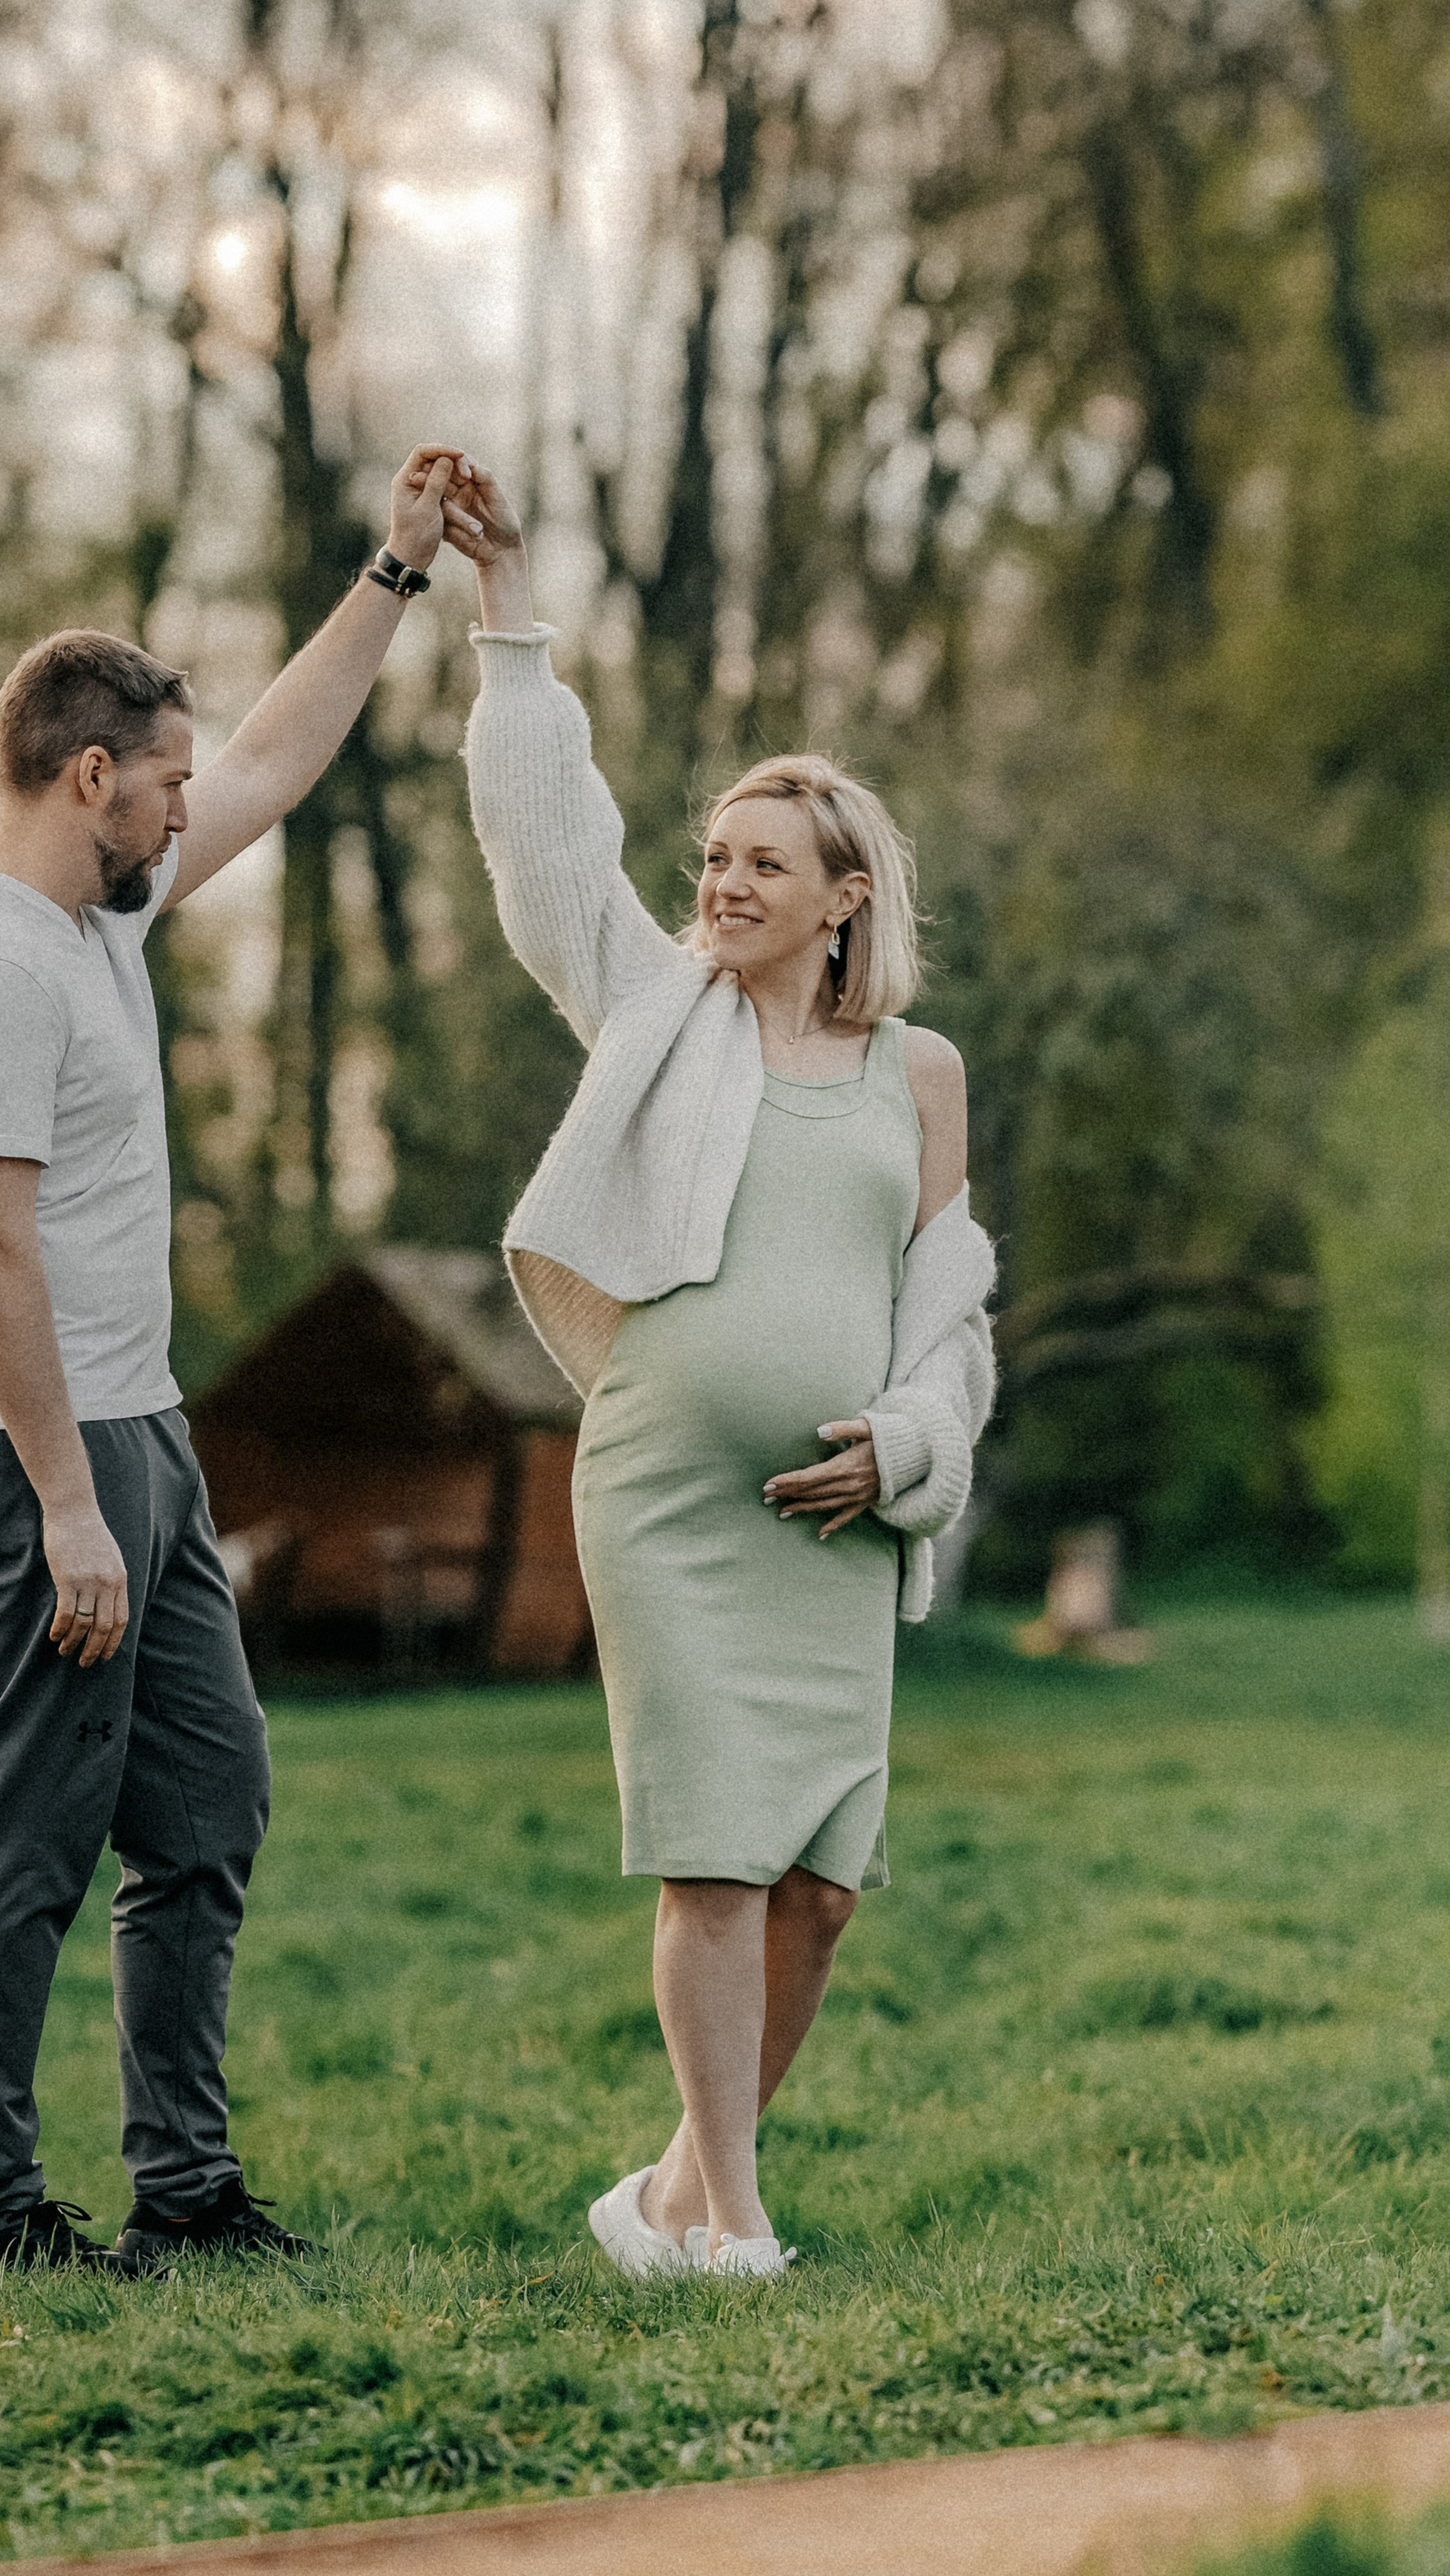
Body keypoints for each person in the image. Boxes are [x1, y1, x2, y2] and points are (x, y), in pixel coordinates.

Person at [0, 446, 475, 2275]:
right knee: (28, 1832)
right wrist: (68, 1505)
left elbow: (278, 761)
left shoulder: (103, 913)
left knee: (205, 1807)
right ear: (88, 778)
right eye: (159, 781)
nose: (182, 807)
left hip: (139, 1432)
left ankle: (187, 2191)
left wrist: (394, 571)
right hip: (27, 1449)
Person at [446, 458, 996, 2281]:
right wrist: (507, 612)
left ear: (844, 897)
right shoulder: (658, 1011)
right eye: (714, 859)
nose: (725, 883)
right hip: (674, 1497)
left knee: (818, 1888)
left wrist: (908, 1451)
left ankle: (675, 2194)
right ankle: (736, 2224)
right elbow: (548, 851)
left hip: (834, 1527)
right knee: (712, 1862)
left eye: (764, 862)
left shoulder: (919, 1072)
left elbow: (950, 1308)